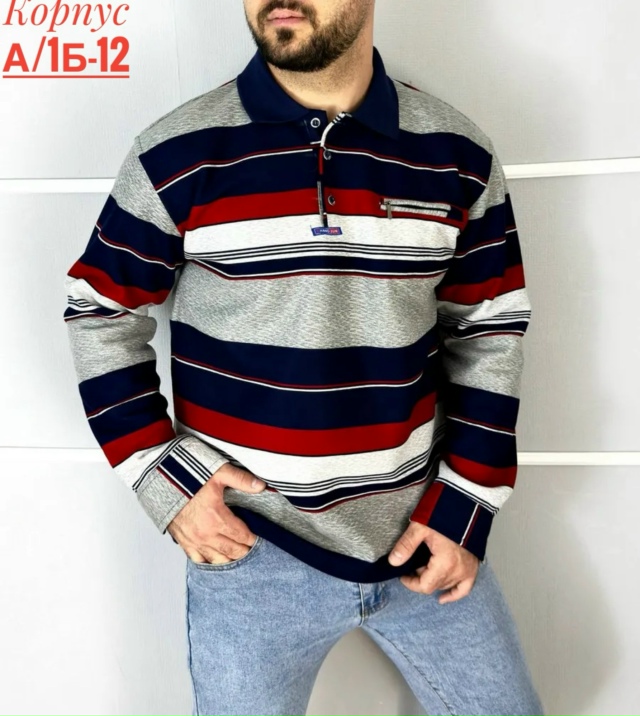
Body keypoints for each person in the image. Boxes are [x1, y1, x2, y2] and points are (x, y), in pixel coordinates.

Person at [63, 1, 545, 714]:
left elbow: (489, 329)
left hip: (425, 531)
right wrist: (164, 482)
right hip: (251, 549)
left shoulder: (455, 152)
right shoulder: (176, 151)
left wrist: (466, 504)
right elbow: (100, 311)